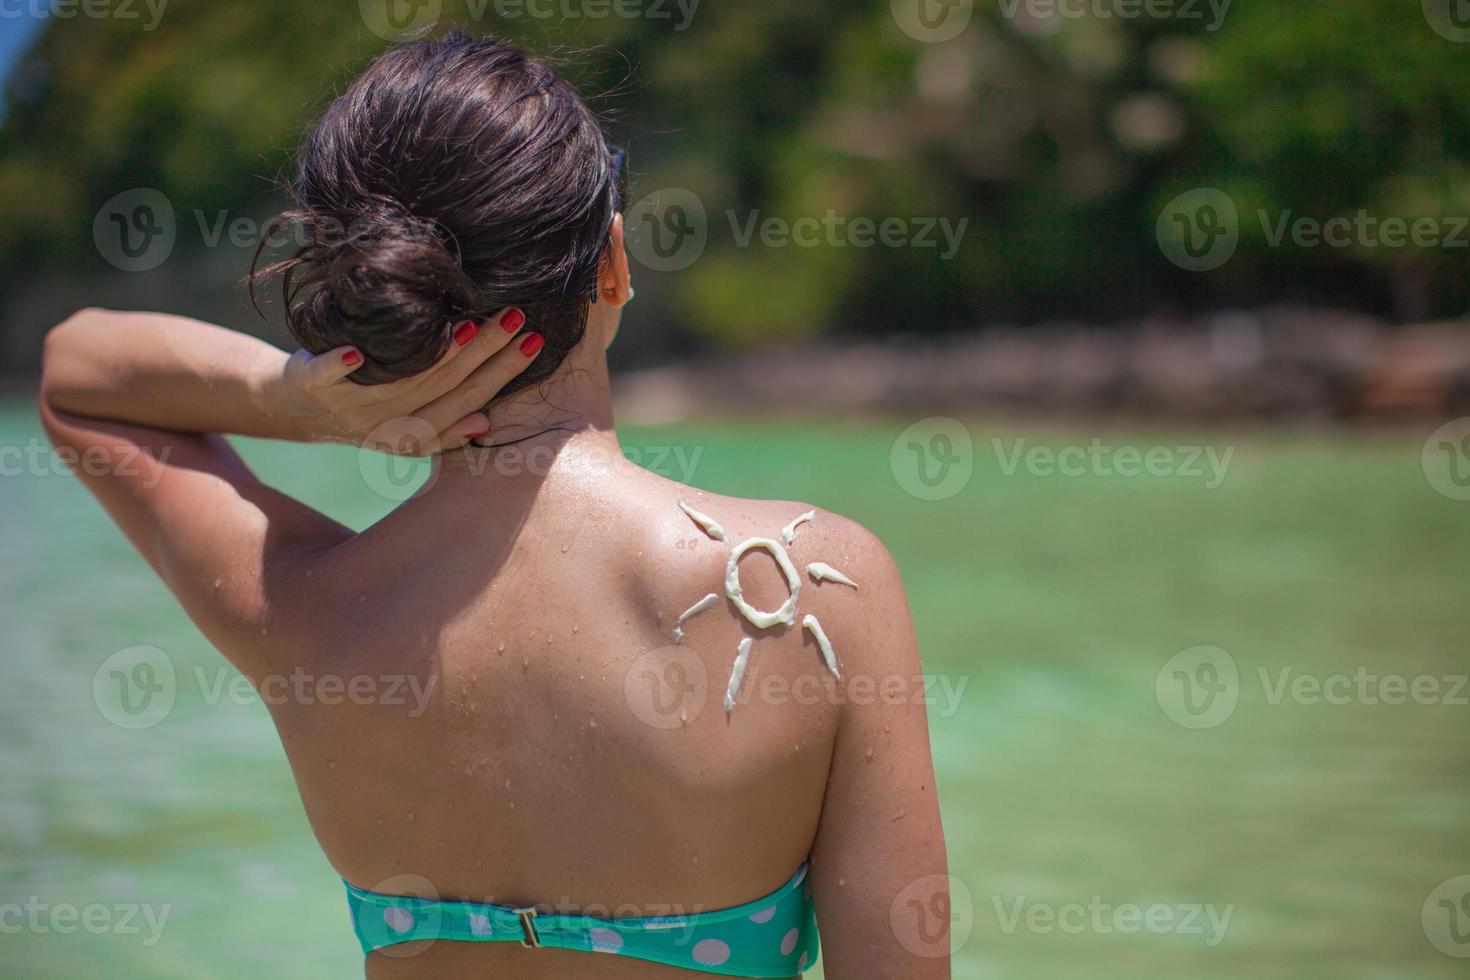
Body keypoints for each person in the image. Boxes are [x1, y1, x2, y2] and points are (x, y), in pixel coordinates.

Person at [39, 31, 949, 979]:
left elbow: (77, 378)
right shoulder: (819, 589)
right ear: (612, 261)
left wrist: (302, 400)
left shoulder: (304, 612)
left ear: (377, 302)